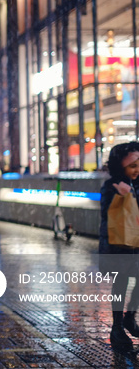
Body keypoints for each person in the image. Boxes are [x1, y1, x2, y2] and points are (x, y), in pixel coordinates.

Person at [99, 142, 139, 349]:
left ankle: (130, 317)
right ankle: (117, 327)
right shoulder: (111, 185)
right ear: (120, 166)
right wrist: (119, 195)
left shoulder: (138, 183)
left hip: (136, 245)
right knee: (120, 284)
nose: (137, 169)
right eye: (132, 165)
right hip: (118, 247)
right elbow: (106, 214)